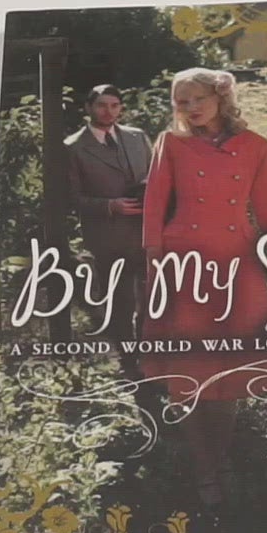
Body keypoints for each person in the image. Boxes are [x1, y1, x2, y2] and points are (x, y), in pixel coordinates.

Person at [141, 67, 267, 533]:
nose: (190, 108)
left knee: (232, 367)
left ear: (220, 98)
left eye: (198, 99)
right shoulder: (171, 144)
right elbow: (154, 205)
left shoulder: (255, 145)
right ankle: (204, 467)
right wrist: (154, 260)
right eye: (181, 101)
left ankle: (219, 455)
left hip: (237, 260)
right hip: (184, 261)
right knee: (188, 365)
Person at [63, 85, 150, 374]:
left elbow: (157, 176)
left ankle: (150, 356)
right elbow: (70, 198)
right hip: (107, 236)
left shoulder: (137, 137)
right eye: (101, 105)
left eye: (114, 105)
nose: (108, 111)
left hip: (145, 230)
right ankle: (128, 361)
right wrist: (111, 206)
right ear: (88, 108)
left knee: (152, 296)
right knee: (120, 299)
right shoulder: (73, 147)